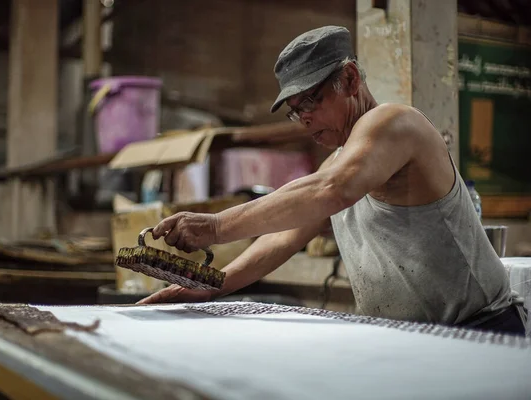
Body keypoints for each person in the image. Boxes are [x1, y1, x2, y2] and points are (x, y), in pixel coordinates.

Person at [138, 26, 527, 336]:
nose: (304, 118)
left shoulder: (394, 123)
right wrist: (210, 284)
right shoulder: (344, 160)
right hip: (414, 338)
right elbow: (284, 235)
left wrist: (216, 226)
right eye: (295, 111)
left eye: (311, 101)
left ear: (351, 78)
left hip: (483, 332)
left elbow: (330, 190)